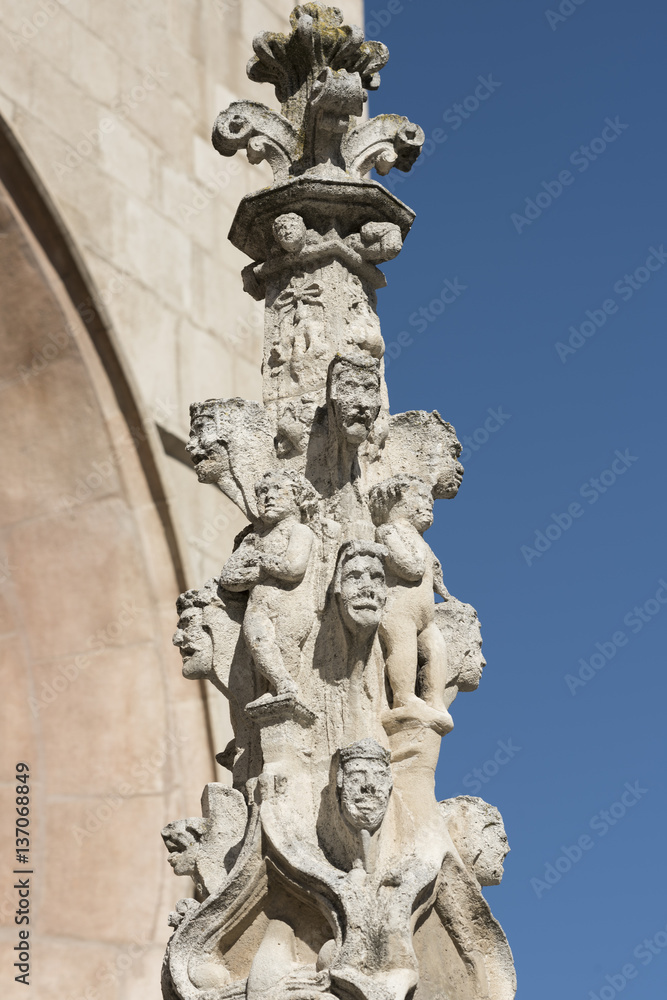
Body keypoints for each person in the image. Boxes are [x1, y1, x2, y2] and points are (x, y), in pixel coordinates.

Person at [220, 470, 318, 706]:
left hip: (291, 604)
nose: (268, 497)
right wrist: (258, 567)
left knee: (286, 648)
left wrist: (260, 561)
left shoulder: (299, 531)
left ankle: (287, 690)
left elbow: (293, 568)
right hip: (258, 607)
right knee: (258, 640)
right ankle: (282, 684)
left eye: (277, 490)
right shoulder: (253, 538)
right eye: (263, 492)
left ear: (297, 497)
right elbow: (229, 578)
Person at [368, 474, 452, 733]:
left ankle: (435, 701)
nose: (427, 505)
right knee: (402, 648)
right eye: (420, 498)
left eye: (429, 500)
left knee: (436, 649)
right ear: (396, 502)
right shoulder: (388, 531)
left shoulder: (421, 541)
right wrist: (420, 556)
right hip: (400, 607)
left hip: (426, 614)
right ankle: (404, 697)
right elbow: (410, 568)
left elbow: (435, 574)